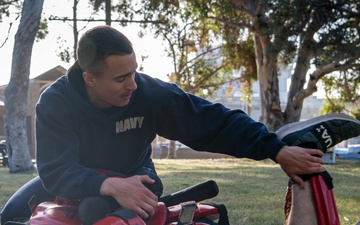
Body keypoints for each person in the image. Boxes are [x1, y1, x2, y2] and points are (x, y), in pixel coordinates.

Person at [1, 25, 360, 225]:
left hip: (137, 176)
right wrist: (107, 184)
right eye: (121, 78)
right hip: (80, 178)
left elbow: (213, 122)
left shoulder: (148, 93)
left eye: (135, 71)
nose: (133, 84)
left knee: (99, 215)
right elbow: (55, 168)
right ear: (90, 79)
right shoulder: (56, 103)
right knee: (12, 216)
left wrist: (276, 148)